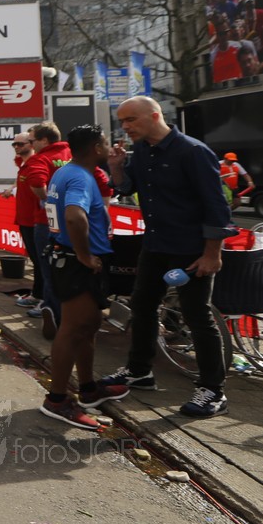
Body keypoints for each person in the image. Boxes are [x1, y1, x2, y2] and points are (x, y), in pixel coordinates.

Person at [101, 96, 235, 418]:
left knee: (197, 316)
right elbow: (127, 188)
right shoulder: (142, 150)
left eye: (130, 119)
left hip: (191, 251)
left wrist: (212, 254)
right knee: (142, 306)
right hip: (155, 245)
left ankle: (213, 390)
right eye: (122, 121)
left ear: (154, 115)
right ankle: (139, 371)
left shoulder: (193, 152)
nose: (125, 127)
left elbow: (216, 206)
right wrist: (116, 167)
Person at [39, 124, 130, 430]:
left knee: (87, 327)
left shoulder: (66, 171)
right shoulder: (79, 176)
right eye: (105, 143)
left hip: (68, 258)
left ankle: (89, 388)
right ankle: (57, 400)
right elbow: (74, 217)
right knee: (73, 328)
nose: (109, 147)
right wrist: (84, 255)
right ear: (96, 148)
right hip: (75, 263)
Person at [22, 122, 72, 339]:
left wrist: (48, 201)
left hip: (48, 222)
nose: (30, 145)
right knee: (71, 269)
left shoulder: (40, 158)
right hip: (75, 219)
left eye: (32, 141)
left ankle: (51, 310)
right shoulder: (71, 154)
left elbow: (36, 182)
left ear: (43, 140)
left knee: (49, 268)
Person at [3, 132, 42, 308]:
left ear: (31, 144)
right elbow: (21, 181)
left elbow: (40, 187)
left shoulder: (36, 163)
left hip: (35, 221)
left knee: (40, 262)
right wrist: (12, 188)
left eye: (20, 144)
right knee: (36, 261)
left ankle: (40, 296)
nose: (17, 147)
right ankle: (38, 294)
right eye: (14, 144)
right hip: (25, 220)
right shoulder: (24, 164)